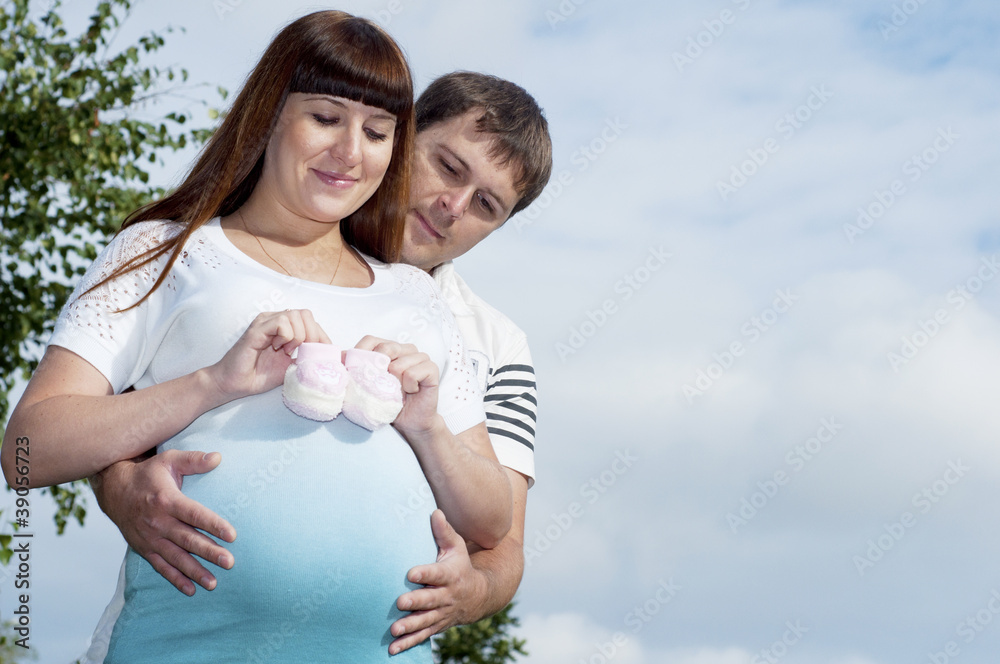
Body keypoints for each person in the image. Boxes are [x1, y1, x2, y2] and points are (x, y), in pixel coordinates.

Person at [0, 11, 514, 664]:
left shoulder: (417, 298)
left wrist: (428, 426)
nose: (351, 153)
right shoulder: (167, 252)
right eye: (326, 118)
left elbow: (492, 522)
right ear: (270, 114)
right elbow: (25, 450)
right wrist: (212, 384)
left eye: (377, 132)